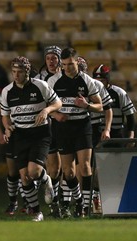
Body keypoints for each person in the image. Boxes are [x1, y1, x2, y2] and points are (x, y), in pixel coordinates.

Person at [0, 56, 61, 221]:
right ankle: (36, 212)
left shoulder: (40, 86)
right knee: (24, 177)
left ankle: (46, 180)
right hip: (20, 135)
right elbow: (5, 115)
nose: (16, 75)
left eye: (19, 72)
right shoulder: (7, 91)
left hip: (40, 134)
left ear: (27, 71)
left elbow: (58, 103)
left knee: (34, 172)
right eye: (13, 72)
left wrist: (47, 110)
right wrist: (7, 127)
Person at [47, 47, 103, 218]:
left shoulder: (87, 81)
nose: (67, 68)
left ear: (77, 62)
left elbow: (100, 106)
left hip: (82, 126)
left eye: (70, 64)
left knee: (85, 167)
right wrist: (56, 114)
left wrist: (86, 105)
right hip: (63, 128)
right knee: (68, 171)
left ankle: (84, 208)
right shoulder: (53, 81)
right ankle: (79, 200)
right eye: (64, 65)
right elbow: (45, 107)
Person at [78, 57, 113, 214]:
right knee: (77, 167)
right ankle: (81, 201)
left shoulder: (95, 84)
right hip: (76, 129)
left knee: (95, 166)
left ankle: (95, 199)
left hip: (94, 128)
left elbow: (107, 109)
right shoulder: (63, 83)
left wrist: (107, 129)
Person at [34, 45, 63, 218]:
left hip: (65, 126)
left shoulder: (65, 76)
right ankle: (55, 203)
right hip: (47, 126)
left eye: (54, 58)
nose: (51, 61)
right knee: (53, 167)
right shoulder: (39, 79)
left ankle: (60, 201)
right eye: (48, 58)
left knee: (63, 168)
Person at [92, 64, 136, 147]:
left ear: (107, 80)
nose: (99, 84)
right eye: (96, 81)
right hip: (96, 134)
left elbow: (130, 116)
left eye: (102, 81)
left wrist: (131, 137)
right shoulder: (91, 93)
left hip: (116, 134)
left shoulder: (119, 93)